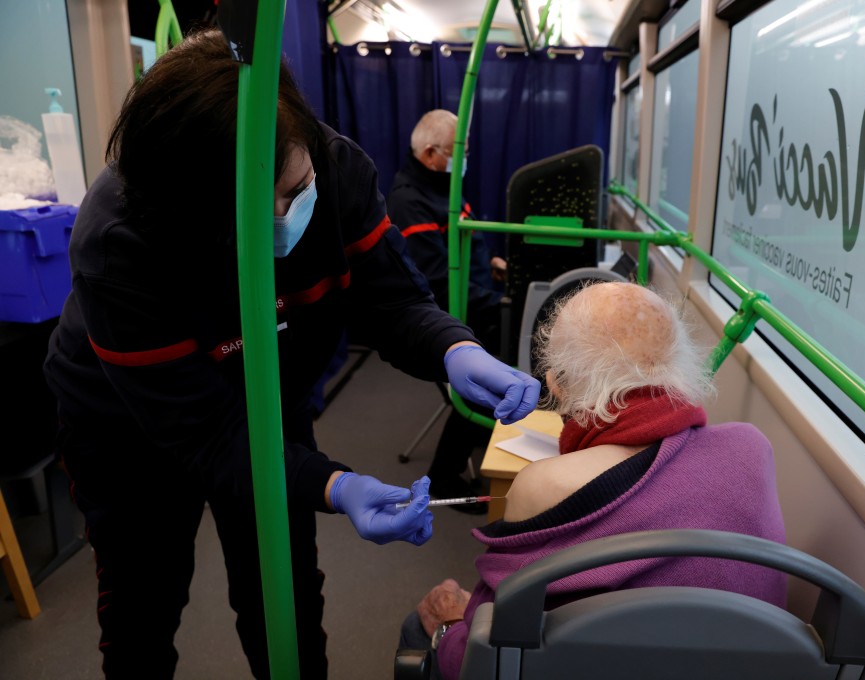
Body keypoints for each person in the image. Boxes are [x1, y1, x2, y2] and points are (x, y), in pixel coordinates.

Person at [42, 29, 539, 680]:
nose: (282, 216)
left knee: (284, 596)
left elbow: (390, 301)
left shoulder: (339, 171)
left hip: (266, 390)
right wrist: (335, 484)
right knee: (143, 601)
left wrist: (454, 349)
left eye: (293, 186)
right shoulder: (121, 242)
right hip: (130, 427)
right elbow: (213, 440)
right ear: (190, 209)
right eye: (249, 209)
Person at [400, 282, 787, 679]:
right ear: (680, 364)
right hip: (741, 666)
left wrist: (448, 628)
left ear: (558, 387)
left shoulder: (543, 486)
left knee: (422, 624)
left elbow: (489, 651)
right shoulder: (752, 448)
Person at [387, 109, 508, 511]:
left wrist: (492, 266)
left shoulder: (443, 185)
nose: (464, 158)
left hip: (478, 297)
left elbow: (462, 245)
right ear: (430, 153)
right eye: (459, 150)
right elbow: (437, 280)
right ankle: (443, 474)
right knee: (488, 371)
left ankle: (483, 428)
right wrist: (500, 302)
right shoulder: (410, 200)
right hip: (453, 315)